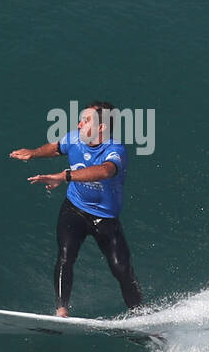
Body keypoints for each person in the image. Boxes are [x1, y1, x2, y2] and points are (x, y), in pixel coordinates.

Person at [9, 102, 143, 317]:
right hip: (75, 209)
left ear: (101, 127)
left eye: (86, 120)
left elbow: (105, 171)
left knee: (122, 270)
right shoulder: (74, 138)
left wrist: (64, 176)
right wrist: (33, 153)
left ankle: (141, 316)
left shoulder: (115, 150)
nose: (80, 123)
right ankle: (61, 310)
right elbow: (55, 148)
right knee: (65, 256)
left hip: (105, 218)